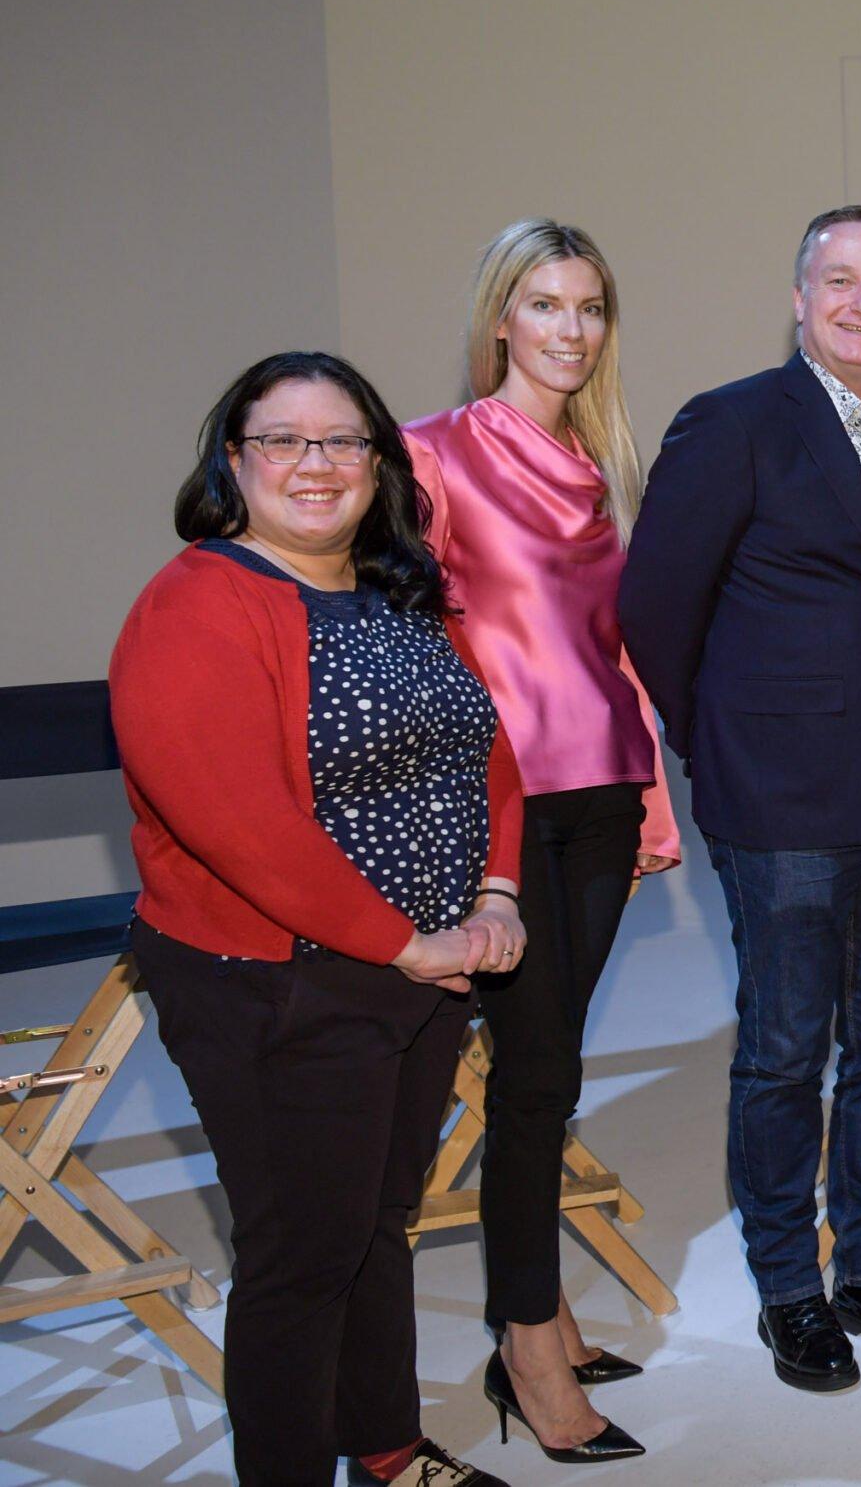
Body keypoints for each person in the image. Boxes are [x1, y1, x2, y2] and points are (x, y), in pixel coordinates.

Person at [111, 352, 529, 1487]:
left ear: (379, 463)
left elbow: (484, 753)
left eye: (343, 439)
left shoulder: (397, 593)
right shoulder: (193, 604)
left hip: (422, 973)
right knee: (302, 1259)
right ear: (233, 462)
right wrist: (410, 943)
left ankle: (387, 1450)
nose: (315, 464)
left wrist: (494, 895)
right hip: (282, 981)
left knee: (375, 1225)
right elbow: (239, 826)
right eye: (282, 440)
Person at [620, 206, 861, 1393]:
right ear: (799, 294)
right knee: (780, 1052)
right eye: (842, 282)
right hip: (783, 800)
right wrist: (729, 745)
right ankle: (787, 1288)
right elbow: (657, 610)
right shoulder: (735, 421)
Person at [404, 219, 676, 1462]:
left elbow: (610, 650)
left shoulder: (599, 462)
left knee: (549, 1066)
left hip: (606, 789)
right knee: (531, 1081)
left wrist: (657, 793)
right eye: (546, 305)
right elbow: (412, 649)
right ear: (501, 316)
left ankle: (547, 1304)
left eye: (589, 309)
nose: (570, 330)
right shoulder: (434, 458)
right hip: (506, 812)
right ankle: (523, 1343)